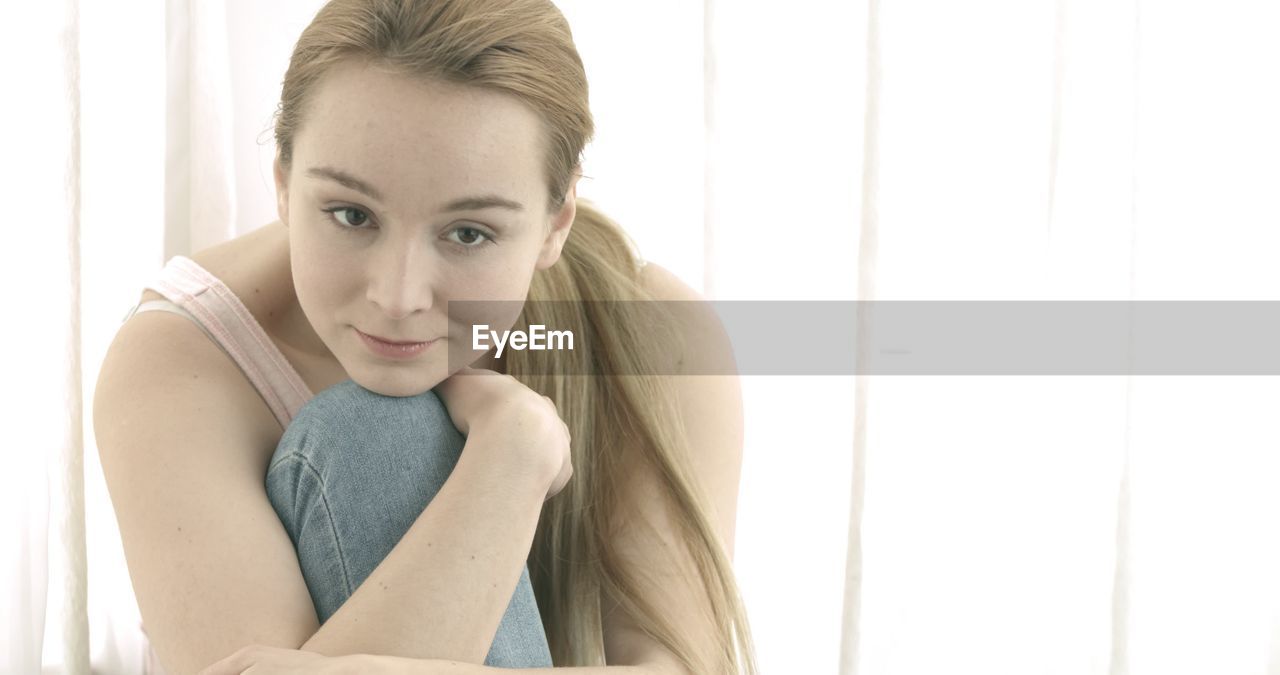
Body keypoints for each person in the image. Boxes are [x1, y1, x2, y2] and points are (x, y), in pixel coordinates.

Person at [94, 1, 757, 673]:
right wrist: (510, 459)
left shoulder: (648, 329)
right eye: (352, 215)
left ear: (556, 221)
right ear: (284, 184)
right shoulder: (184, 363)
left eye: (468, 233)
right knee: (368, 435)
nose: (399, 296)